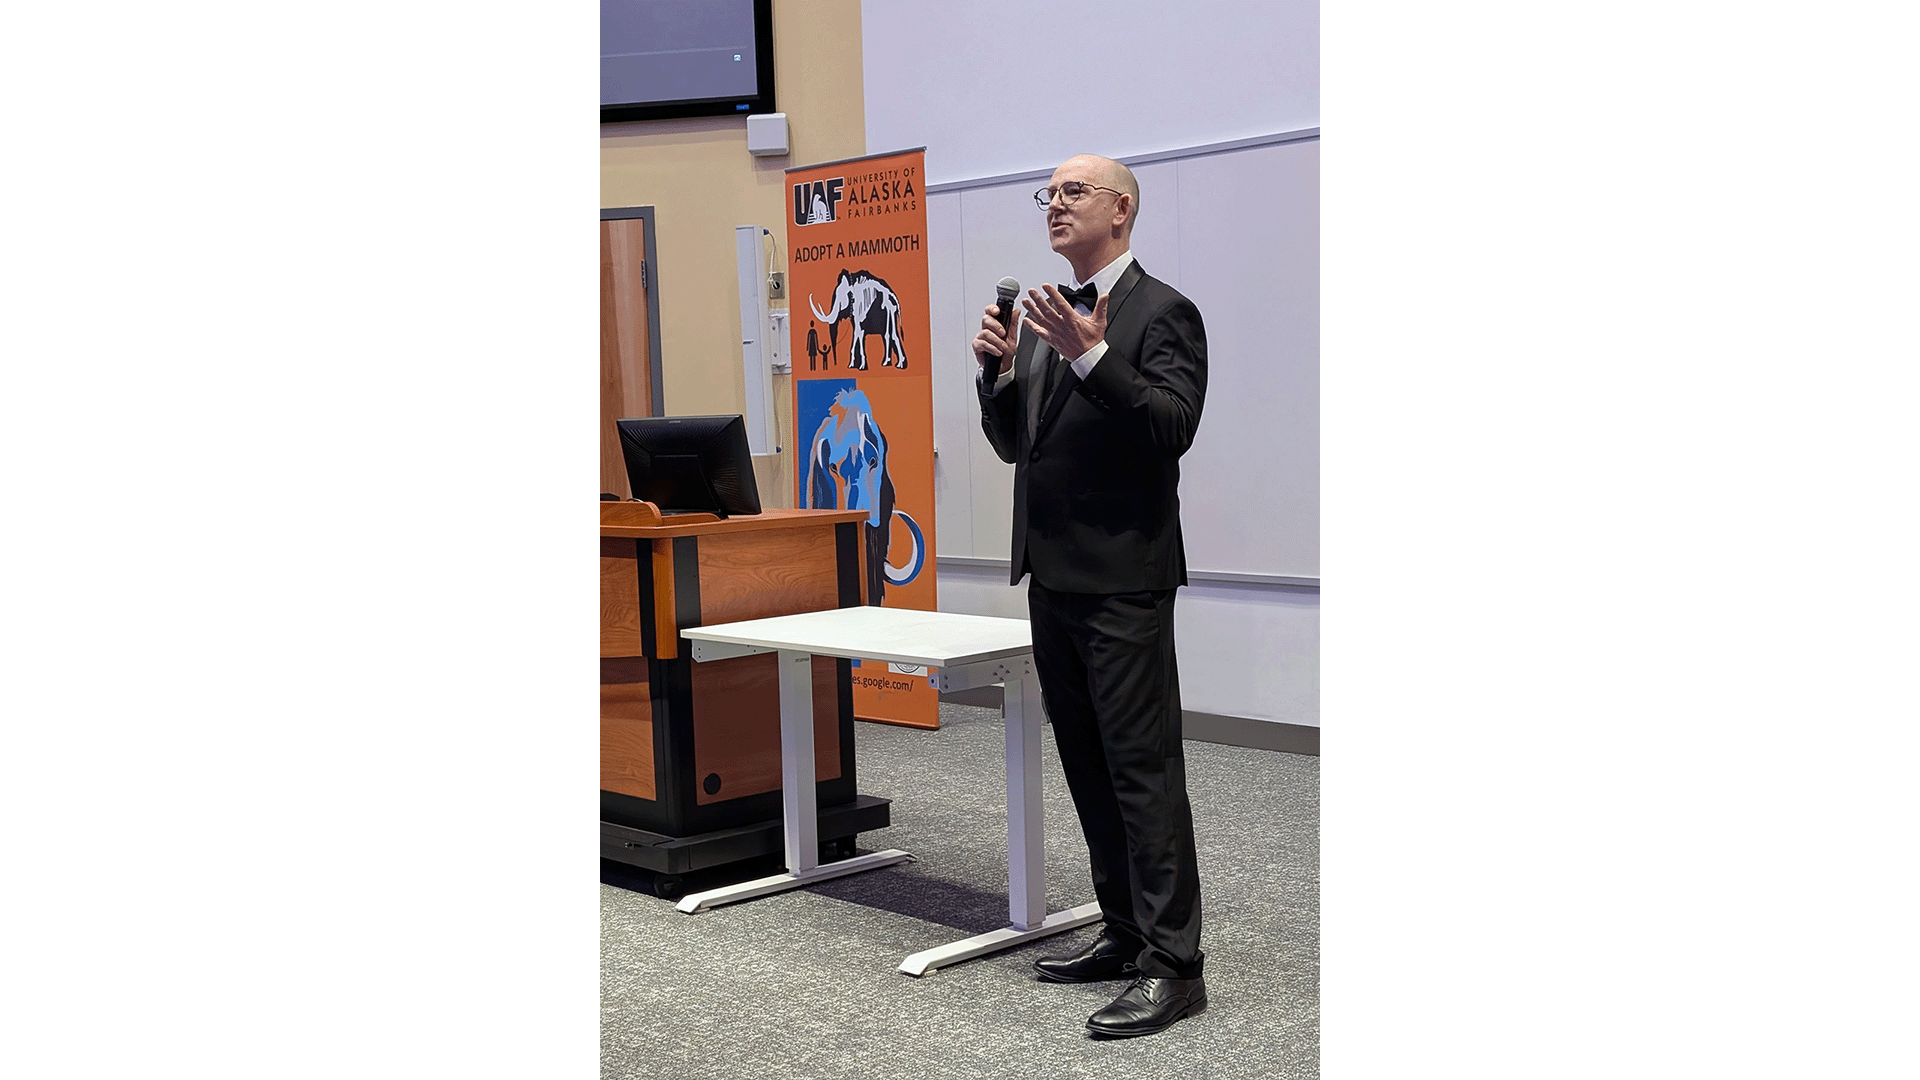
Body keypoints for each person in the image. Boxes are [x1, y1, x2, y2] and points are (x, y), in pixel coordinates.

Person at [973, 154, 1208, 1038]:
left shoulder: (1162, 312)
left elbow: (1168, 429)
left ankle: (1175, 964)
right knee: (1089, 768)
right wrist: (997, 378)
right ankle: (1122, 931)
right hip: (1054, 576)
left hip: (1124, 582)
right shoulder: (1041, 317)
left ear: (1123, 209)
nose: (1056, 204)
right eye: (1050, 193)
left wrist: (1096, 354)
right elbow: (1016, 446)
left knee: (1143, 773)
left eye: (1075, 191)